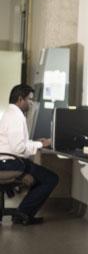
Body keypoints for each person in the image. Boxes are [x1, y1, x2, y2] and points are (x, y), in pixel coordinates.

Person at [0, 84, 59, 225]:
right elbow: (18, 148)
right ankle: (23, 213)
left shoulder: (10, 113)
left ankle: (23, 212)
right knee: (51, 179)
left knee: (41, 176)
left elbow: (17, 143)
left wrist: (35, 142)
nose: (32, 104)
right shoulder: (16, 117)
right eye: (30, 100)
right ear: (20, 99)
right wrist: (41, 145)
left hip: (6, 160)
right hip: (11, 163)